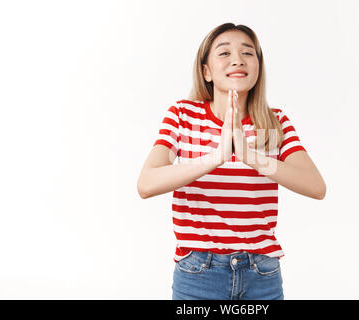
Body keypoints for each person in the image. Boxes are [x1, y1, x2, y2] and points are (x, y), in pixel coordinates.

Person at [137, 23, 326, 300]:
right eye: (224, 53)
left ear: (258, 67)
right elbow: (147, 183)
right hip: (198, 273)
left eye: (248, 53)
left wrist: (252, 157)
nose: (237, 59)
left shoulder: (274, 122)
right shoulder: (183, 116)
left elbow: (315, 186)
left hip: (262, 274)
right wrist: (216, 157)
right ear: (206, 71)